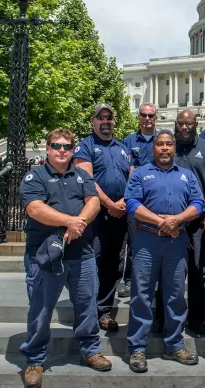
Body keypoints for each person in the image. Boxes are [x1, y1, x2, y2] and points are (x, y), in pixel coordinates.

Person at [20, 128, 112, 388]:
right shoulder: (34, 176)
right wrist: (70, 222)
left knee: (87, 304)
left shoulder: (81, 175)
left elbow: (93, 200)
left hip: (81, 253)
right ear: (47, 148)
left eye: (67, 147)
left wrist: (79, 222)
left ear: (73, 150)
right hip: (45, 255)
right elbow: (35, 208)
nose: (62, 151)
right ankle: (35, 360)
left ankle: (91, 350)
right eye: (57, 146)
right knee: (40, 309)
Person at [124, 130, 204, 373]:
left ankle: (175, 344)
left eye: (169, 144)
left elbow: (198, 204)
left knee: (175, 295)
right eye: (160, 144)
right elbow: (132, 204)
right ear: (153, 148)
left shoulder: (186, 175)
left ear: (174, 147)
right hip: (148, 241)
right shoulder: (140, 173)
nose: (165, 148)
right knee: (142, 294)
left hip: (176, 242)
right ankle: (137, 347)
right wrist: (161, 223)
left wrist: (177, 220)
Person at [153, 110, 205, 336]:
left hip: (197, 224)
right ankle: (161, 318)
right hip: (166, 223)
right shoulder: (167, 148)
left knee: (197, 274)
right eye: (181, 124)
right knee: (166, 274)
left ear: (196, 125)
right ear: (175, 124)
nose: (184, 127)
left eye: (189, 124)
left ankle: (196, 319)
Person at [73, 103, 132, 332]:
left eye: (109, 117)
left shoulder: (121, 147)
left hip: (120, 215)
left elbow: (131, 175)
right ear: (93, 120)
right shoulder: (85, 147)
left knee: (113, 264)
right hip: (96, 215)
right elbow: (87, 181)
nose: (105, 121)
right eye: (101, 117)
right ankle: (87, 312)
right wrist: (109, 204)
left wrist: (125, 202)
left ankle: (104, 310)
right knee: (93, 263)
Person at [118, 102, 158, 299]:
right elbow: (125, 169)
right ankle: (129, 280)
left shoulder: (163, 140)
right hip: (136, 200)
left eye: (151, 115)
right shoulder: (128, 141)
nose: (147, 118)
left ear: (156, 118)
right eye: (144, 115)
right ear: (139, 117)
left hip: (157, 200)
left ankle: (155, 281)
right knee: (134, 243)